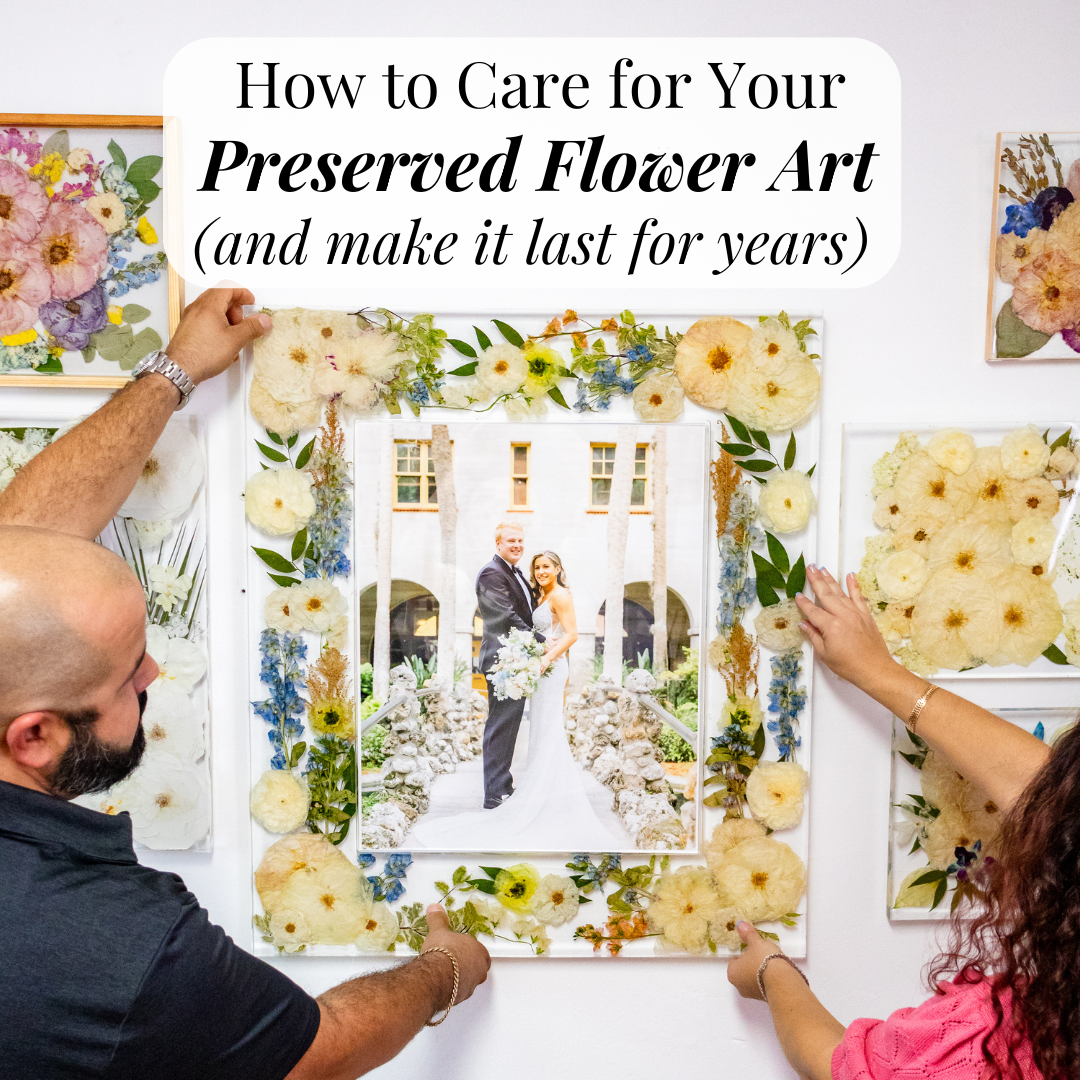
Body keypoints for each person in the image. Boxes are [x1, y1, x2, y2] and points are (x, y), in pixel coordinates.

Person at [0, 287, 489, 1080]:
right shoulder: (113, 942)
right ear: (36, 737)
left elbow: (22, 551)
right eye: (128, 677)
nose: (153, 673)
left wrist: (176, 371)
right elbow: (318, 1050)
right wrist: (447, 969)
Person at [726, 563, 1065, 1080]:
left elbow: (841, 1066)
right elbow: (1056, 794)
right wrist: (879, 673)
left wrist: (771, 973)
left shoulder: (1012, 1041)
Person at [413, 550, 623, 851]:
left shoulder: (561, 595)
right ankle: (538, 790)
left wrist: (546, 658)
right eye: (537, 567)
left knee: (549, 727)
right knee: (540, 727)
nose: (541, 571)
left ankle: (549, 794)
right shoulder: (539, 594)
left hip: (550, 668)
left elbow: (572, 634)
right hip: (539, 668)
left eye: (547, 566)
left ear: (558, 568)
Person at [473, 521, 545, 808]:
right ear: (498, 544)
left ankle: (503, 784)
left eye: (520, 541)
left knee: (509, 725)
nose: (517, 545)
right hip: (503, 660)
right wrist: (539, 639)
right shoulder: (492, 573)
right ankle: (493, 793)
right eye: (511, 541)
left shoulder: (514, 573)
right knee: (500, 725)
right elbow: (505, 614)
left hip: (517, 659)